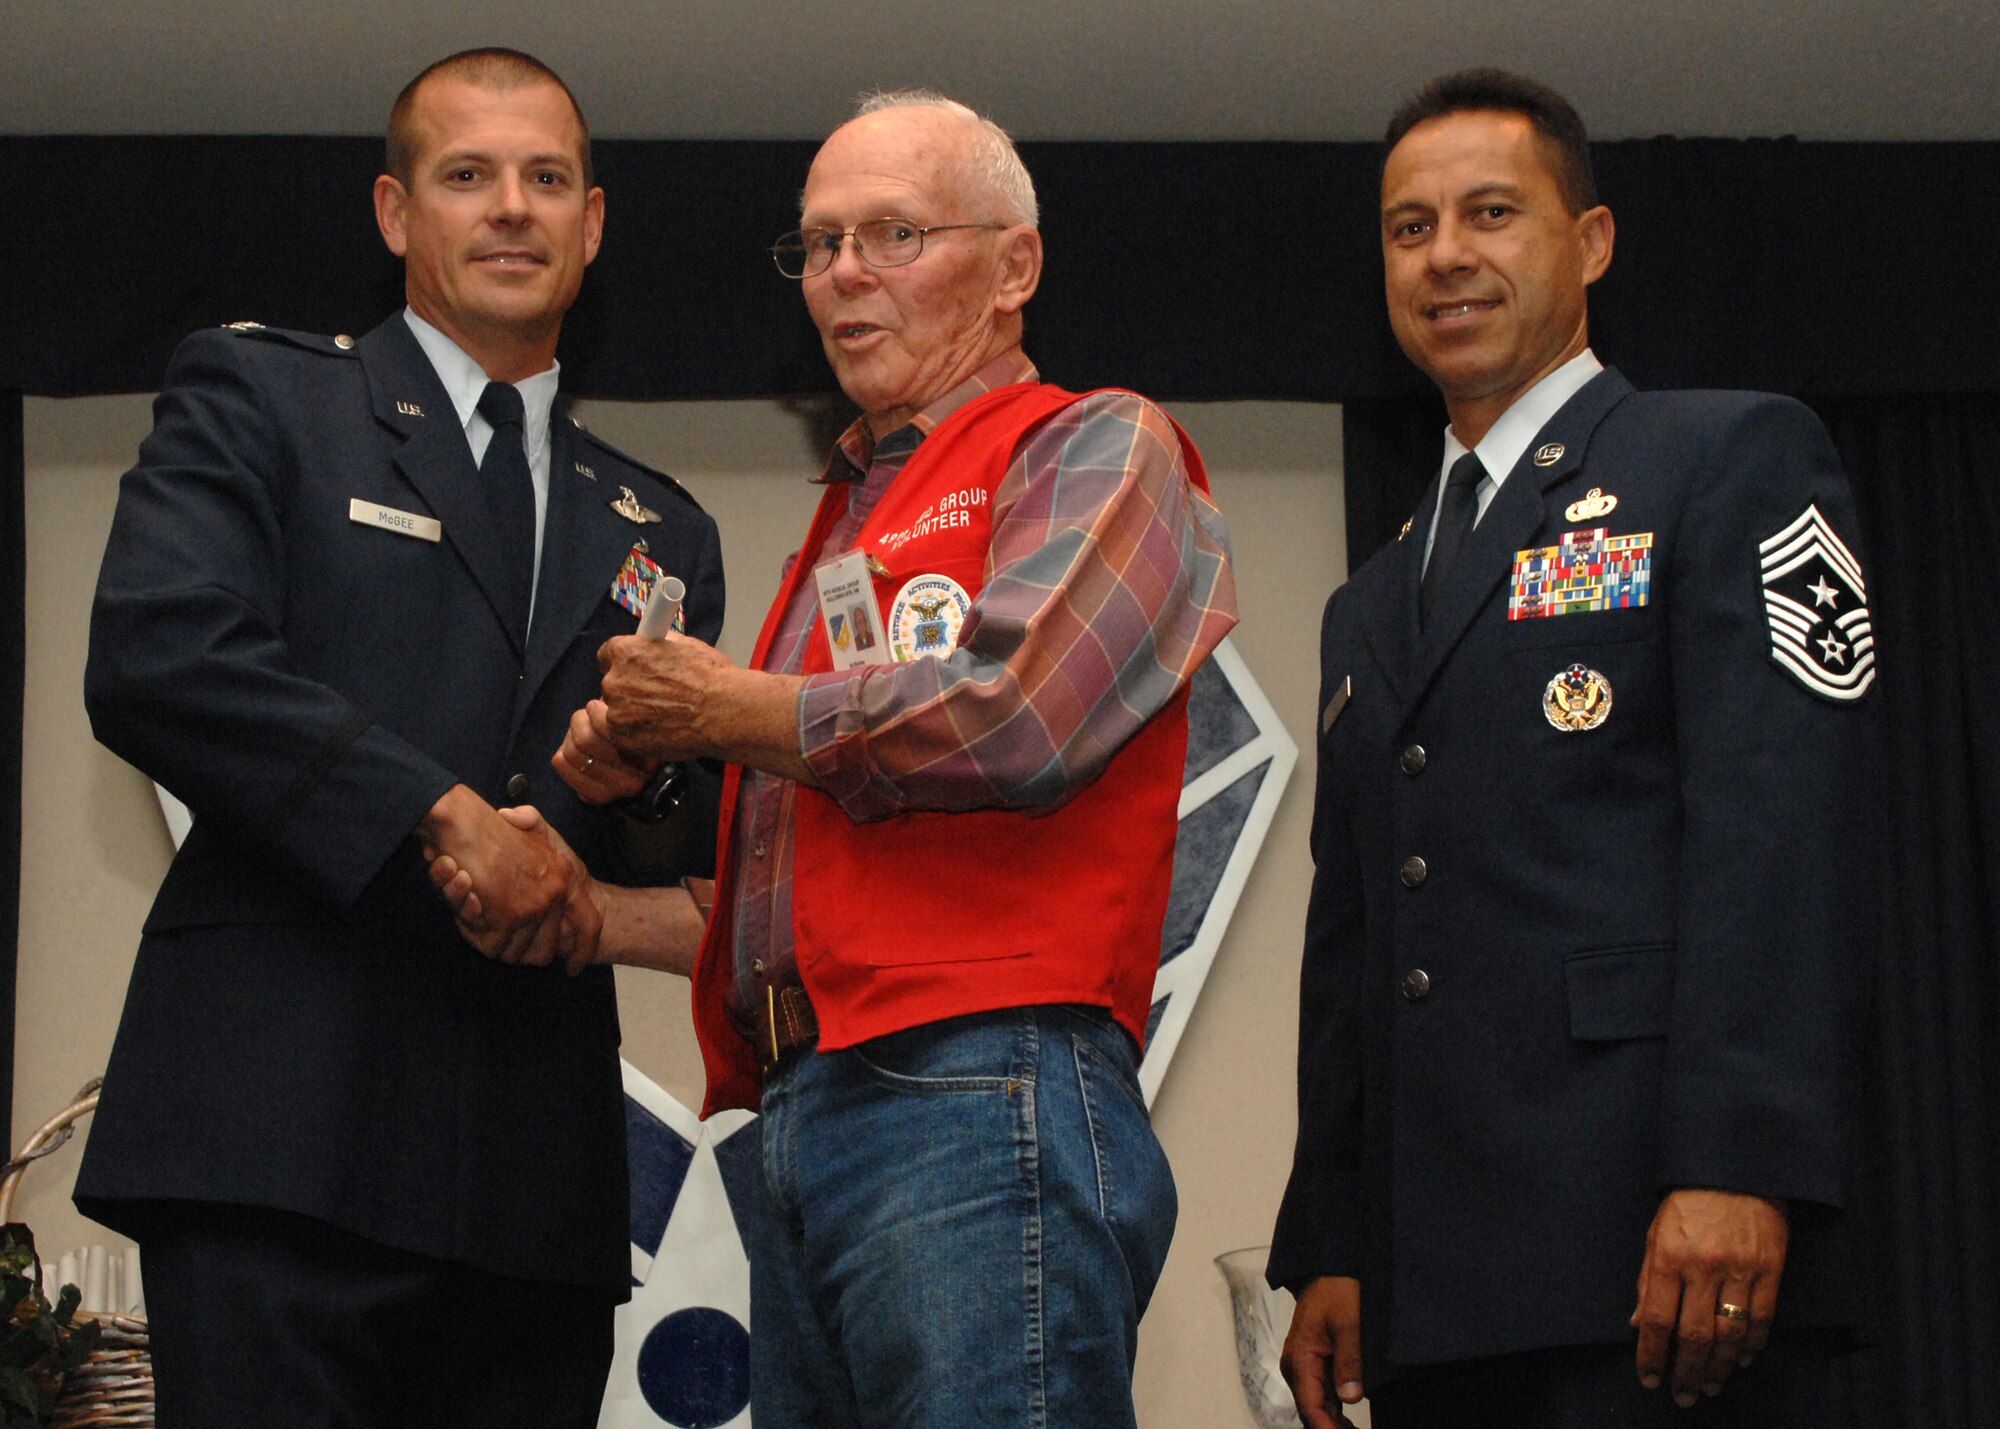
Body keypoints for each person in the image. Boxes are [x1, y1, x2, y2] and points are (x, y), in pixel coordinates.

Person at [488, 88, 1236, 1429]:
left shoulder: (1093, 440)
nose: (841, 275)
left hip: (980, 1083)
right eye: (818, 245)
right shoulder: (845, 521)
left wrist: (722, 710)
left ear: (1015, 266)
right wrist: (591, 894)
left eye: (891, 233)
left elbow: (1018, 712)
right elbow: (795, 894)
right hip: (801, 1110)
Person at [74, 47, 723, 1429]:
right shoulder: (266, 400)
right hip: (276, 1138)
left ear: (592, 226)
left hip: (533, 1185)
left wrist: (644, 778)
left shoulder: (660, 527)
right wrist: (440, 810)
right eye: (467, 175)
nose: (511, 209)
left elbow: (682, 837)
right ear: (393, 211)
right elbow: (160, 653)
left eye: (548, 179)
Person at [1269, 69, 1878, 1428]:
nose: (1446, 255)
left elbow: (1782, 836)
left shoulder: (1726, 457)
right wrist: (1333, 1236)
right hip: (1436, 1285)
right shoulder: (1371, 599)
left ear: (1590, 242)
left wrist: (1743, 1163)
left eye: (1492, 212)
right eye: (1409, 226)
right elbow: (1359, 939)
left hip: (1657, 1255)